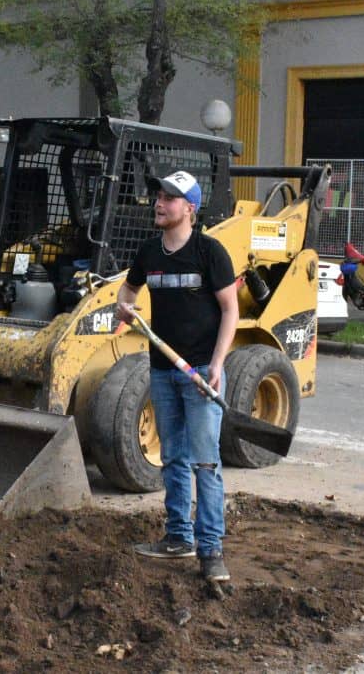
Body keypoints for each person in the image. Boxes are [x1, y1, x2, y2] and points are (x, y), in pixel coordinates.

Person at [115, 170, 238, 582]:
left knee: (206, 462)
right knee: (173, 459)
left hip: (201, 372)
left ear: (190, 208)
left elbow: (230, 311)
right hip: (163, 371)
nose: (159, 202)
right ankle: (178, 538)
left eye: (170, 197)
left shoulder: (210, 252)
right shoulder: (149, 252)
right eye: (159, 195)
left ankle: (211, 550)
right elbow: (127, 293)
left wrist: (218, 364)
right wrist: (124, 307)